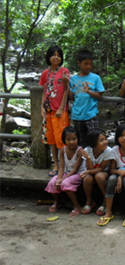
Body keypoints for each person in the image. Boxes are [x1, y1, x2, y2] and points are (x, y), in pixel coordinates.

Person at [97, 124, 125, 227]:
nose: (124, 138)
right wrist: (119, 173)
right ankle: (108, 212)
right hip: (118, 173)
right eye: (121, 135)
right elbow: (112, 170)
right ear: (117, 137)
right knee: (111, 179)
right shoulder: (115, 150)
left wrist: (121, 176)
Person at [39, 45, 70, 176]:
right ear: (49, 57)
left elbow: (67, 91)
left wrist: (62, 108)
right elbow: (44, 91)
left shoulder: (64, 71)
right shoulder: (45, 73)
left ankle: (63, 166)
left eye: (58, 55)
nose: (56, 57)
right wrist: (41, 107)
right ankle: (56, 165)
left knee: (62, 140)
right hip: (48, 111)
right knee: (51, 139)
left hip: (60, 111)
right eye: (53, 55)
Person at [45, 126, 85, 217]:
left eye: (74, 139)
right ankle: (57, 201)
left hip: (78, 173)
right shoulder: (63, 150)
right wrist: (59, 179)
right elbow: (61, 167)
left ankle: (76, 206)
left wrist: (62, 179)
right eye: (68, 139)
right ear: (64, 140)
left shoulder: (80, 151)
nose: (71, 142)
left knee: (65, 183)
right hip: (66, 173)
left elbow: (75, 169)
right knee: (52, 182)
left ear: (78, 139)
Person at [68, 49, 105, 148]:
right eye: (86, 64)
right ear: (79, 63)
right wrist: (65, 84)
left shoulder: (95, 78)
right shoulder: (73, 79)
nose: (89, 66)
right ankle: (83, 162)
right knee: (80, 141)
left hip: (91, 114)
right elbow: (71, 97)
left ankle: (94, 162)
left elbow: (100, 95)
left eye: (90, 64)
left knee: (94, 140)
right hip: (77, 115)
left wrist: (89, 92)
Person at [80, 128, 114, 216]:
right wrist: (88, 158)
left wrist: (88, 171)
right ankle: (89, 200)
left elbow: (102, 168)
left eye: (105, 139)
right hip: (92, 171)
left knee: (99, 176)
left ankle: (106, 200)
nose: (105, 142)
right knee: (87, 178)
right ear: (93, 143)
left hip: (104, 172)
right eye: (101, 140)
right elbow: (89, 168)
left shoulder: (108, 151)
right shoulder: (87, 151)